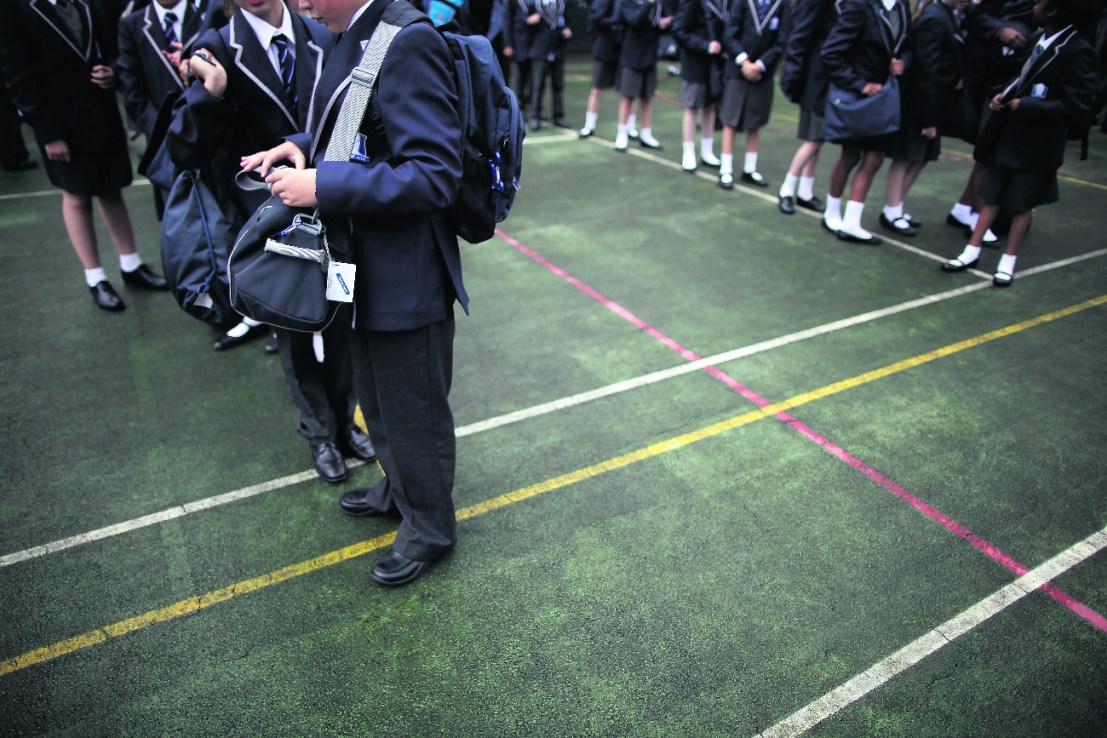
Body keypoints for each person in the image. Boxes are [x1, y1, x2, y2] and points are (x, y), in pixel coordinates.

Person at [243, 0, 468, 586]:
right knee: (377, 392)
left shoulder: (407, 38)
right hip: (362, 259)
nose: (302, 4)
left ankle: (430, 528)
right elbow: (352, 125)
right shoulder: (355, 31)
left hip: (406, 268)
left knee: (412, 405)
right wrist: (300, 147)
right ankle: (400, 489)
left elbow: (433, 174)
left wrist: (320, 183)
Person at [167, 0, 376, 483]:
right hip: (267, 224)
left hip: (335, 210)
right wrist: (210, 93)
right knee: (294, 329)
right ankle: (320, 434)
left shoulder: (321, 30)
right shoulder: (215, 48)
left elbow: (343, 118)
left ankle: (345, 425)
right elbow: (185, 151)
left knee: (342, 322)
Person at [0, 0, 168, 312]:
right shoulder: (15, 8)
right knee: (76, 195)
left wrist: (112, 73)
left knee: (112, 187)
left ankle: (131, 263)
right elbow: (16, 74)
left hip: (100, 111)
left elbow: (112, 45)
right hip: (59, 121)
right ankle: (95, 277)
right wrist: (48, 132)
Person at [941, 0, 1098, 287]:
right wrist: (1004, 93)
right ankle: (971, 250)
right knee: (991, 194)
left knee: (1021, 204)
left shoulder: (1078, 51)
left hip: (1039, 143)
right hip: (1010, 134)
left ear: (1054, 11)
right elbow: (1021, 77)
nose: (1034, 6)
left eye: (1040, 3)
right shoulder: (1038, 39)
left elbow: (1078, 107)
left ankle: (1008, 261)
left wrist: (1025, 105)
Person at [116, 0, 219, 218]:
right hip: (166, 144)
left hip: (215, 138)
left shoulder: (211, 13)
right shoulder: (132, 24)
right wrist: (169, 132)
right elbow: (133, 91)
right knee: (178, 221)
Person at [819, 0, 910, 244]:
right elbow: (830, 53)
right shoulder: (860, 6)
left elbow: (904, 46)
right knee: (850, 155)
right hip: (859, 99)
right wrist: (860, 85)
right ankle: (832, 213)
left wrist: (901, 64)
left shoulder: (901, 7)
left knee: (874, 158)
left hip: (884, 99)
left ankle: (851, 222)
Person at [946, 0, 1033, 243]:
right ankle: (977, 216)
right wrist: (1000, 31)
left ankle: (964, 209)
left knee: (989, 151)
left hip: (1008, 76)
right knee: (988, 151)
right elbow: (974, 12)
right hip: (991, 77)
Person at [878, 0, 968, 237]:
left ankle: (896, 206)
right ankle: (892, 210)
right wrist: (928, 118)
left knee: (921, 157)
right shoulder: (934, 18)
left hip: (933, 102)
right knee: (906, 156)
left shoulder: (945, 13)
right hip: (919, 103)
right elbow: (927, 70)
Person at [717, 0, 791, 189]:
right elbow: (730, 35)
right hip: (738, 70)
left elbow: (781, 41)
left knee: (755, 120)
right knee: (730, 119)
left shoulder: (782, 4)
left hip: (762, 73)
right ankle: (726, 169)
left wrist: (760, 65)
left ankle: (750, 169)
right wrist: (744, 62)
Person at [776, 0, 836, 214]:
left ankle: (805, 191)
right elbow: (800, 38)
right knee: (814, 140)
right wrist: (793, 79)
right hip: (815, 80)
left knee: (818, 139)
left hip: (823, 80)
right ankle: (786, 189)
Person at [671, 0, 725, 172]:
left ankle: (707, 151)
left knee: (710, 106)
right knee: (692, 106)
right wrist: (704, 45)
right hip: (695, 62)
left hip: (714, 63)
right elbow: (679, 30)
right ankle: (688, 152)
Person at [614, 0, 674, 151]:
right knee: (628, 96)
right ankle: (622, 134)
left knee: (647, 97)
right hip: (632, 55)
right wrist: (648, 3)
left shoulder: (659, 3)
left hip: (650, 54)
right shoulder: (629, 2)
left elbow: (661, 23)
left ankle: (646, 134)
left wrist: (664, 25)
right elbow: (634, 21)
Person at [507, 0, 572, 130]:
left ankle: (558, 116)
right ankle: (534, 116)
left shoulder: (562, 4)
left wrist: (567, 29)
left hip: (557, 50)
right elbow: (520, 22)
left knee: (558, 86)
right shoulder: (533, 4)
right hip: (539, 50)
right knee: (537, 85)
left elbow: (567, 21)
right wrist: (528, 21)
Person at [579, 0, 623, 138]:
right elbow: (596, 19)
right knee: (597, 89)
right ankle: (589, 125)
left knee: (627, 92)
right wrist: (614, 21)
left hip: (623, 48)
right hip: (604, 48)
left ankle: (630, 127)